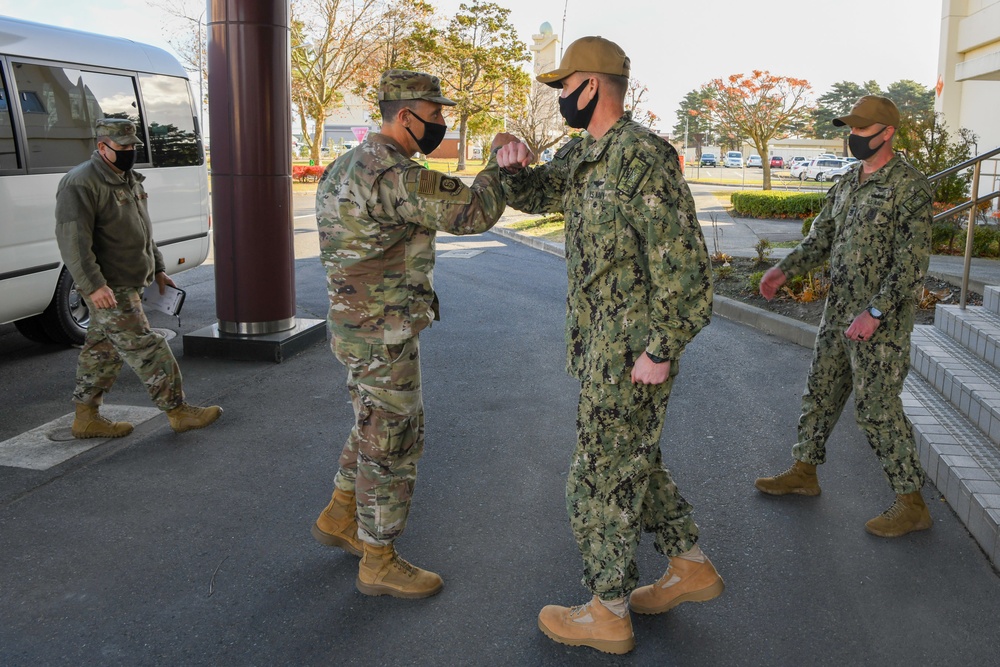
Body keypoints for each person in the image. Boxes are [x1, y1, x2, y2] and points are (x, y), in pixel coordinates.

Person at [495, 37, 722, 655]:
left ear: (591, 87)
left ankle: (608, 610)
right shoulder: (585, 154)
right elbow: (536, 194)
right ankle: (689, 565)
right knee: (631, 460)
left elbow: (688, 271)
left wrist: (662, 348)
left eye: (564, 88)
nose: (560, 99)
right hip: (602, 345)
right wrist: (506, 157)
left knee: (596, 478)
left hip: (633, 353)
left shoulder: (643, 157)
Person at [311, 69, 511, 599]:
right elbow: (474, 213)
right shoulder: (395, 173)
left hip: (352, 326)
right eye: (436, 114)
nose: (442, 123)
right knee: (393, 443)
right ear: (406, 115)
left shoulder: (343, 165)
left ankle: (340, 514)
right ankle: (378, 559)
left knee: (369, 422)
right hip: (385, 335)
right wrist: (497, 161)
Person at [754, 95, 934, 538]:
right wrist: (783, 269)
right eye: (850, 129)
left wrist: (875, 312)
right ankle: (803, 471)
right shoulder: (849, 182)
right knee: (820, 391)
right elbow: (821, 239)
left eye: (862, 130)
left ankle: (912, 504)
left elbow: (911, 264)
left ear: (887, 133)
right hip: (839, 313)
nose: (853, 137)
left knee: (876, 409)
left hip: (880, 324)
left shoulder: (909, 187)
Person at [55, 119, 222, 439]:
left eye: (133, 147)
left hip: (130, 279)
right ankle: (178, 411)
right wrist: (93, 285)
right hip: (109, 285)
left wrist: (158, 268)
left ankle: (86, 416)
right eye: (123, 148)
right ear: (102, 147)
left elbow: (142, 230)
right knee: (146, 345)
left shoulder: (127, 178)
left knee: (101, 348)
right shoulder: (80, 183)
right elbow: (73, 242)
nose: (130, 152)